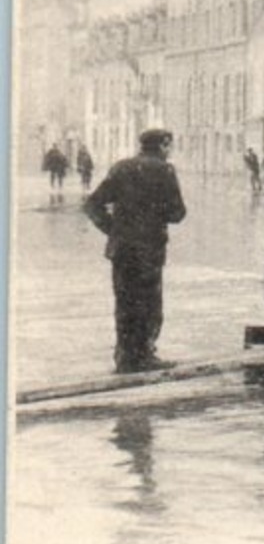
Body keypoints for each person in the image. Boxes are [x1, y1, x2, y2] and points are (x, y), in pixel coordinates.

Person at [83, 128, 187, 373]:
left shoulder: (121, 167)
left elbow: (92, 204)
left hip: (121, 249)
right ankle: (144, 355)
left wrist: (113, 229)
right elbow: (178, 213)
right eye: (169, 145)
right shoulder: (165, 170)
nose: (170, 150)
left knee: (125, 301)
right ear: (162, 145)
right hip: (149, 248)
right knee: (149, 302)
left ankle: (125, 356)